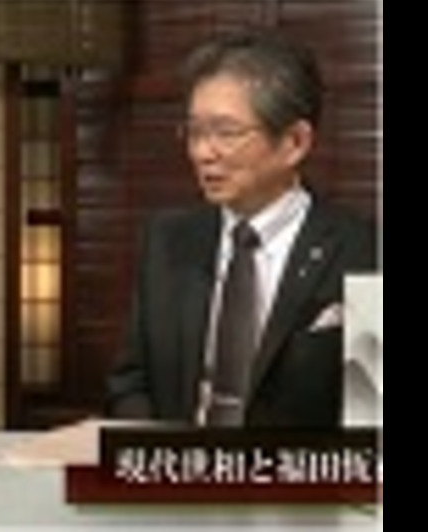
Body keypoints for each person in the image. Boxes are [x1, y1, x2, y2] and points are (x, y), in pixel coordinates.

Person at [106, 29, 377, 428]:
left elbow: (370, 417)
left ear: (295, 142)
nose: (202, 152)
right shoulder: (167, 240)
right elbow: (130, 383)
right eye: (195, 132)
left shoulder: (363, 249)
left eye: (226, 133)